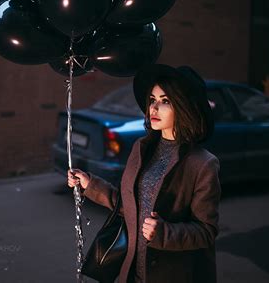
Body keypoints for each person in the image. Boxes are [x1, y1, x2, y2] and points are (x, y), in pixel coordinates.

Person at [67, 64, 221, 283]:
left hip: (172, 275)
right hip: (131, 270)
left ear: (184, 106)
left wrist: (164, 233)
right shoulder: (142, 148)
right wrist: (90, 185)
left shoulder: (203, 164)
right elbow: (129, 205)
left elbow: (207, 232)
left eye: (165, 101)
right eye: (152, 99)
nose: (154, 108)